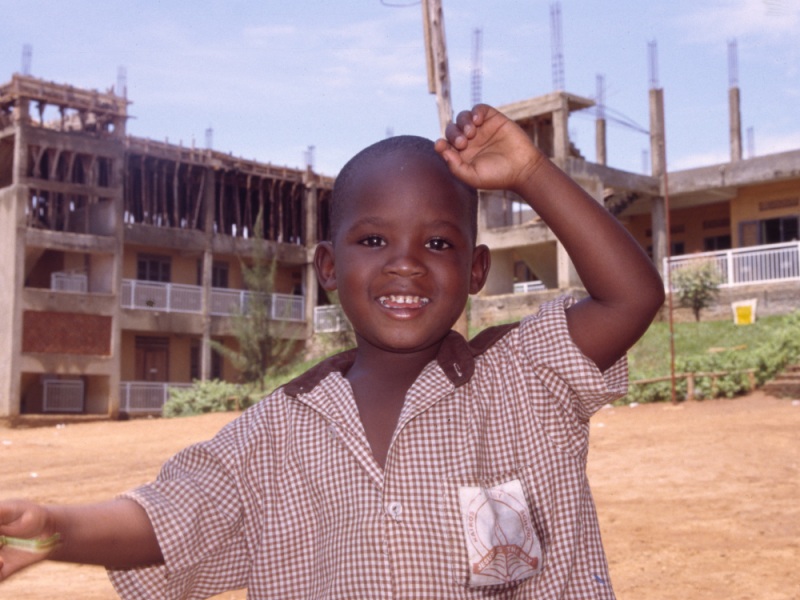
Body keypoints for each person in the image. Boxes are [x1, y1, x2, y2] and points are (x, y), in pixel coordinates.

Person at [0, 104, 664, 598]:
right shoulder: (276, 432)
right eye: (373, 241)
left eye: (438, 244)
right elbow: (169, 518)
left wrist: (530, 172)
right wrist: (51, 525)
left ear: (476, 269)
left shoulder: (525, 377)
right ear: (326, 266)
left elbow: (629, 298)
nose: (405, 267)